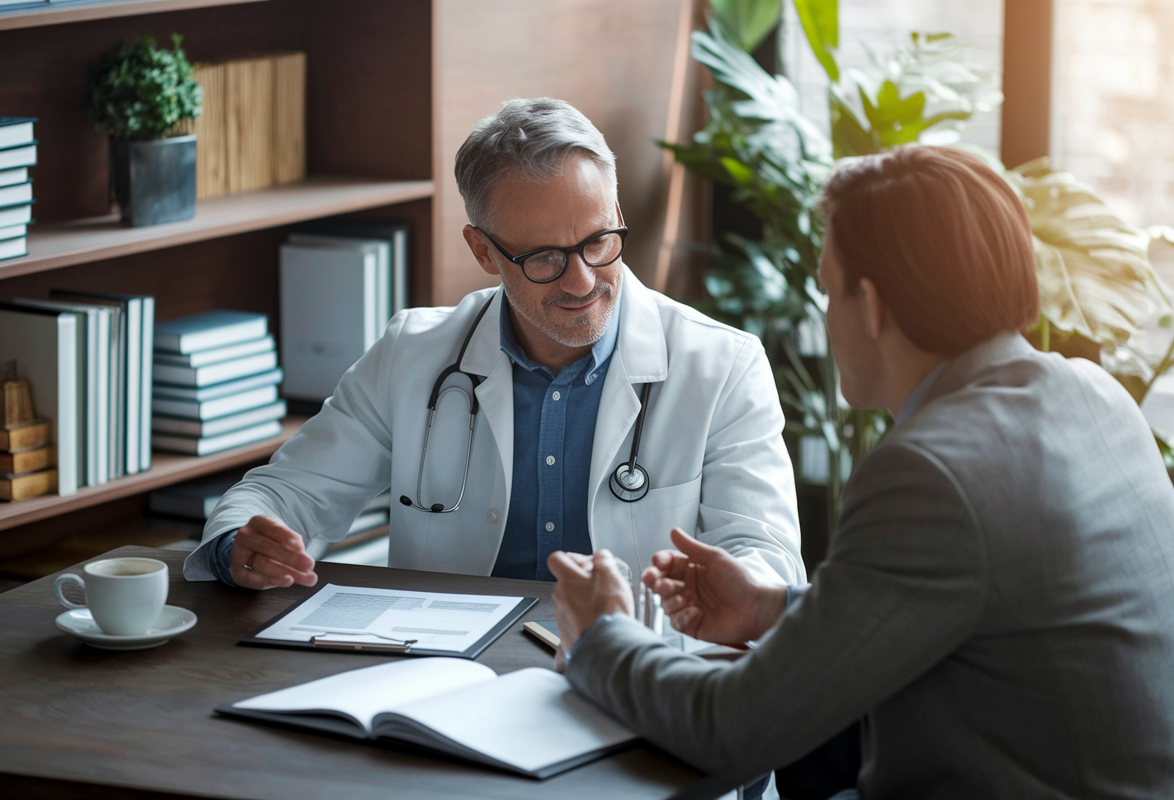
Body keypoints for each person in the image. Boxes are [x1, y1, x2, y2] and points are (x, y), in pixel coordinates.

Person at [549, 145, 1174, 797]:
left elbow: (733, 729)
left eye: (827, 288)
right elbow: (975, 606)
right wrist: (772, 608)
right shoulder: (1094, 394)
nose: (826, 314)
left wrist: (602, 636)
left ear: (870, 304)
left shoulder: (933, 471)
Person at [183, 97, 804, 591]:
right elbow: (284, 493)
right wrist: (243, 543)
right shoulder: (413, 355)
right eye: (543, 257)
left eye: (597, 241)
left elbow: (769, 559)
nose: (582, 279)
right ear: (483, 251)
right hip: (447, 681)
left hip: (646, 678)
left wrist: (720, 593)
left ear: (616, 211)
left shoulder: (722, 365)